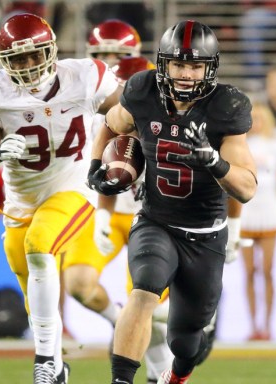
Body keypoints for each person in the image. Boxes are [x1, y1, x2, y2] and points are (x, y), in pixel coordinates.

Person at [88, 20, 257, 384]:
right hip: (156, 220)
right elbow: (112, 121)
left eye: (195, 65)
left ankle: (176, 376)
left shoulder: (227, 106)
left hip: (206, 234)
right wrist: (95, 165)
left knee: (186, 341)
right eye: (178, 64)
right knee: (143, 290)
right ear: (163, 64)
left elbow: (247, 187)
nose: (185, 73)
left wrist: (213, 161)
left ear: (209, 68)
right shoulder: (142, 90)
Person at [0, 13, 121, 384]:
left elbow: (128, 118)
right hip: (20, 204)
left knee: (39, 245)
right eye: (18, 58)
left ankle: (45, 362)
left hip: (73, 188)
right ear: (4, 62)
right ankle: (60, 364)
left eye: (35, 55)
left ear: (52, 50)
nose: (29, 65)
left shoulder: (84, 77)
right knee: (34, 284)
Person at [64, 46, 172, 382]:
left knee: (148, 306)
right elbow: (107, 174)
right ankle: (118, 320)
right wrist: (102, 217)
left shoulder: (173, 115)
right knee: (79, 282)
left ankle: (161, 369)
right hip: (109, 210)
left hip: (156, 218)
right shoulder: (102, 113)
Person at [239, 103, 276, 341]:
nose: (257, 123)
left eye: (260, 118)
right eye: (253, 118)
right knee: (249, 272)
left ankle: (268, 326)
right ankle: (252, 326)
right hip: (246, 215)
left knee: (268, 271)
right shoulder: (239, 146)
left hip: (270, 213)